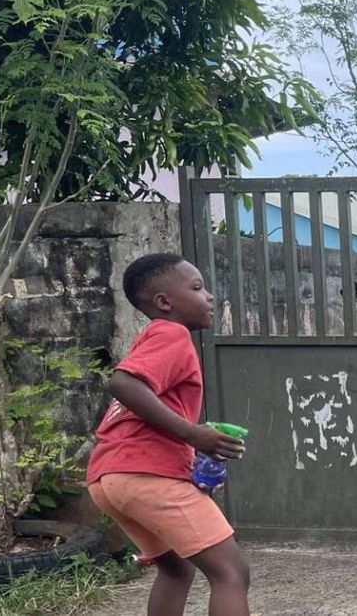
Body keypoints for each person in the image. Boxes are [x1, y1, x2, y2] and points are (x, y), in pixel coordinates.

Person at [86, 253, 250, 616]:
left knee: (176, 569)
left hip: (109, 477)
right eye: (196, 287)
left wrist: (193, 453)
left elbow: (142, 410)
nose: (208, 296)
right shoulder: (171, 333)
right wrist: (193, 434)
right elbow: (122, 384)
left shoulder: (150, 338)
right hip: (146, 474)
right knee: (231, 573)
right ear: (164, 302)